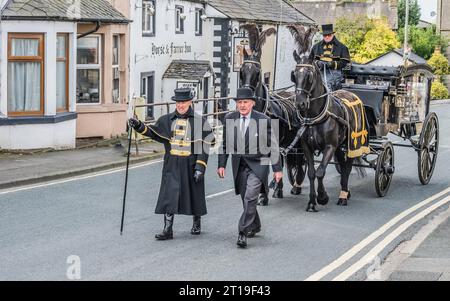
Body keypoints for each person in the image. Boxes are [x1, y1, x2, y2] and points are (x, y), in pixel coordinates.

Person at [128, 88, 214, 240]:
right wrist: (138, 125)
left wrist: (200, 166)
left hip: (191, 163)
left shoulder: (200, 121)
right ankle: (168, 229)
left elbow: (205, 145)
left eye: (183, 102)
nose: (180, 105)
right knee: (169, 195)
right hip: (171, 164)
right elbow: (153, 132)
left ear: (190, 102)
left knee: (194, 193)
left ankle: (196, 221)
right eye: (178, 102)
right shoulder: (166, 120)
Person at [217, 88, 283, 248]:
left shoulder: (263, 120)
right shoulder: (229, 118)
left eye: (245, 102)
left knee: (250, 197)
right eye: (239, 102)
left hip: (258, 165)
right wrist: (221, 164)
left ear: (252, 103)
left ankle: (242, 231)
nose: (242, 105)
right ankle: (255, 225)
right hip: (239, 165)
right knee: (245, 198)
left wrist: (277, 169)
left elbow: (273, 145)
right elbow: (225, 144)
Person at [309, 24, 351, 91]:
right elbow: (310, 60)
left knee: (326, 84)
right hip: (319, 72)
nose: (327, 37)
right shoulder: (315, 47)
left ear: (333, 34)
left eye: (329, 35)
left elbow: (344, 63)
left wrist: (332, 64)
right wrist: (318, 63)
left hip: (334, 72)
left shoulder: (342, 47)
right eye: (325, 35)